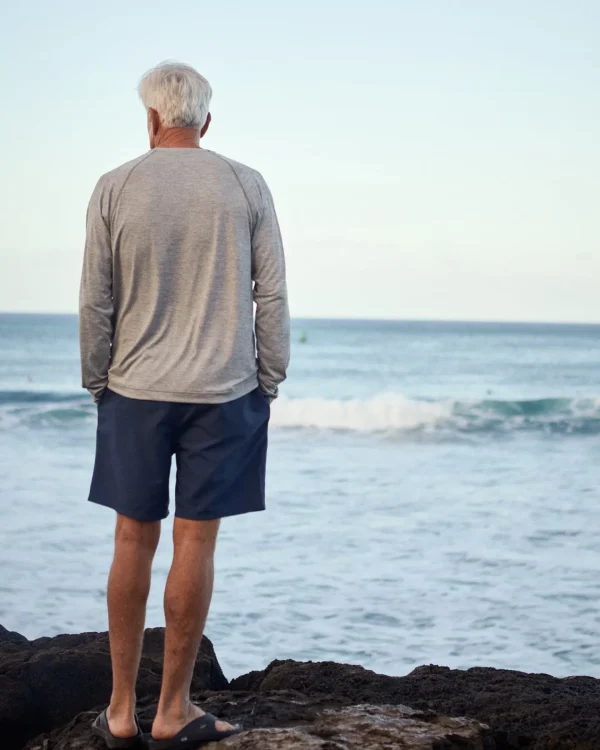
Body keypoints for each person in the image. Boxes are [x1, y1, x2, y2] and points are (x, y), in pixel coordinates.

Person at [79, 61, 290, 749]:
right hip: (223, 393)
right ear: (205, 119)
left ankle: (118, 713)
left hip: (134, 392)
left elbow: (95, 300)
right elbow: (272, 295)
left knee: (130, 540)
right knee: (194, 542)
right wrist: (270, 375)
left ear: (149, 119)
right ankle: (172, 711)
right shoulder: (244, 183)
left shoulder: (114, 186)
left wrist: (97, 381)